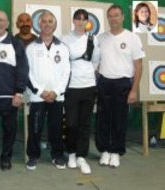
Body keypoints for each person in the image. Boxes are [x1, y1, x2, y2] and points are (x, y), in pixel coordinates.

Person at [96, 4, 145, 168]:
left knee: (119, 119)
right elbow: (95, 63)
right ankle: (104, 151)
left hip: (123, 83)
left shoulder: (132, 38)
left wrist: (134, 89)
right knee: (102, 119)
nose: (113, 19)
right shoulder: (101, 38)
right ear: (107, 18)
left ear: (123, 17)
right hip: (104, 82)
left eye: (116, 15)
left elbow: (139, 65)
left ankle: (116, 152)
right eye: (110, 16)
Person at [0, 10, 29, 171]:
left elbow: (23, 69)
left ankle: (6, 157)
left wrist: (19, 92)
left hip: (10, 96)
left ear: (8, 23)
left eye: (2, 20)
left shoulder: (16, 44)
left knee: (10, 130)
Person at [25, 11, 71, 171]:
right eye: (43, 21)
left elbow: (66, 72)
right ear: (39, 24)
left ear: (55, 24)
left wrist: (56, 92)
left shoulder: (63, 48)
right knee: (35, 128)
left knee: (56, 129)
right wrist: (41, 91)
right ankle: (33, 156)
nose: (46, 24)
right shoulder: (31, 48)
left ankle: (57, 156)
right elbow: (27, 73)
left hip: (56, 97)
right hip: (38, 97)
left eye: (50, 21)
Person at [60, 9, 100, 175]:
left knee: (84, 124)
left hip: (89, 86)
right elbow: (61, 62)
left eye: (84, 19)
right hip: (71, 87)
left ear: (87, 21)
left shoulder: (92, 38)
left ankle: (81, 156)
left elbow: (96, 61)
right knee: (71, 123)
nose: (81, 22)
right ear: (73, 20)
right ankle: (71, 153)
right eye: (78, 18)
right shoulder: (64, 39)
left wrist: (87, 74)